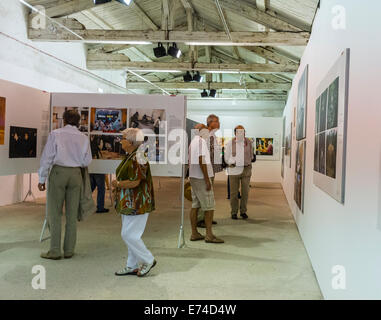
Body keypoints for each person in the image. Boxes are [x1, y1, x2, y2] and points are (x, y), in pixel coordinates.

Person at [38, 110, 92, 260]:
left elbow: (47, 157)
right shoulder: (83, 137)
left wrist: (41, 178)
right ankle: (69, 250)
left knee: (54, 213)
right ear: (78, 121)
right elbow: (87, 161)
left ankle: (55, 250)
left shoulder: (56, 134)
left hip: (59, 173)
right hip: (75, 175)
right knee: (72, 214)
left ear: (65, 119)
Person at [112, 128, 156, 277]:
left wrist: (117, 184)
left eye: (123, 138)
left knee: (129, 235)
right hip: (129, 203)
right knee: (131, 234)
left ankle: (148, 259)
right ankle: (131, 265)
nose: (121, 141)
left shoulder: (138, 157)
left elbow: (135, 182)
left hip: (137, 203)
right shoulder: (131, 156)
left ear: (130, 142)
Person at [188, 123, 224, 243]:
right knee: (209, 207)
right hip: (201, 178)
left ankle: (194, 233)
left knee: (195, 205)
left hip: (194, 177)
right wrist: (207, 179)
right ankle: (209, 235)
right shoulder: (201, 142)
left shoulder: (193, 141)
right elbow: (201, 160)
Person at [197, 114, 223, 228]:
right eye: (216, 121)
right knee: (205, 195)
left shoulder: (213, 135)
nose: (219, 123)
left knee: (209, 196)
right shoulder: (206, 135)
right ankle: (200, 219)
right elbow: (203, 155)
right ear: (210, 123)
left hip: (211, 170)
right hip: (206, 171)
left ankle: (207, 218)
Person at [224, 125, 254, 220]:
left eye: (243, 131)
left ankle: (243, 211)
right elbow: (226, 156)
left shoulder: (248, 142)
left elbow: (251, 155)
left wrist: (247, 161)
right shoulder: (230, 143)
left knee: (245, 192)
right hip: (234, 169)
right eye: (239, 132)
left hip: (246, 169)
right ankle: (234, 212)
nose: (241, 133)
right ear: (235, 133)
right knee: (233, 193)